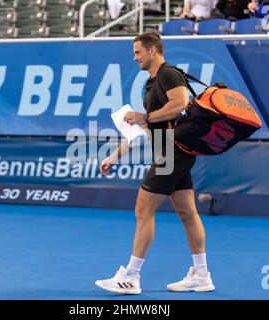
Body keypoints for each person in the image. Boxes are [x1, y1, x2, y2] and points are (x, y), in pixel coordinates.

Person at [95, 32, 215, 295]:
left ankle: (131, 277)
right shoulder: (151, 84)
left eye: (138, 52)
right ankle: (202, 275)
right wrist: (116, 155)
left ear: (152, 50)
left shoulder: (168, 74)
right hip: (174, 151)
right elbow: (144, 127)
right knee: (186, 212)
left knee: (143, 211)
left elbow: (181, 104)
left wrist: (146, 117)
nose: (135, 57)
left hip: (172, 151)